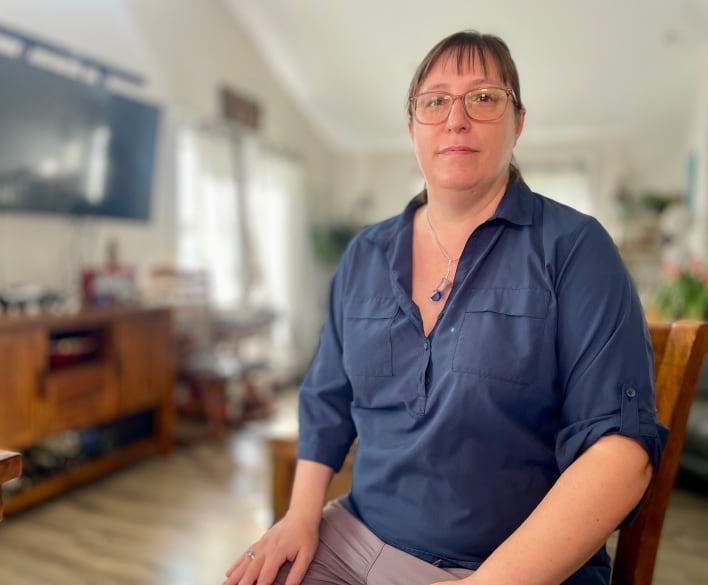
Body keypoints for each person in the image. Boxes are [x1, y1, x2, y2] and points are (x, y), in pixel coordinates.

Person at [225, 30, 667, 585]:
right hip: (357, 542)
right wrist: (299, 516)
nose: (456, 119)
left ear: (518, 121)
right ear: (413, 127)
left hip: (512, 566)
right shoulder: (365, 253)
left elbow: (620, 456)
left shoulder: (575, 249)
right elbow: (324, 400)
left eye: (483, 97)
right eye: (435, 102)